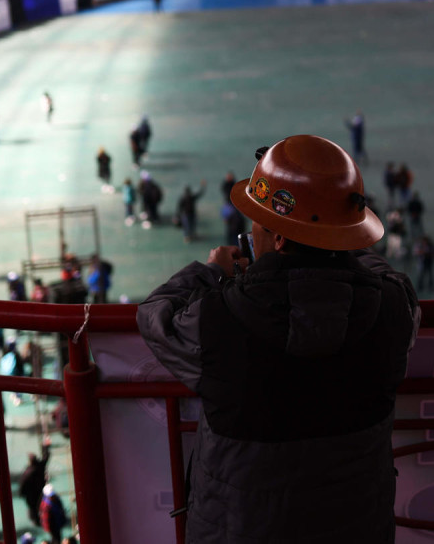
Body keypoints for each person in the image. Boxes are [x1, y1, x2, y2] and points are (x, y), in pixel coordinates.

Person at [137, 135, 419, 544]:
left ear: (281, 238)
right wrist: (335, 244)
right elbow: (393, 280)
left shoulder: (217, 319)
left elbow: (156, 315)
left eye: (258, 220)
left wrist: (214, 273)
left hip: (242, 530)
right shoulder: (393, 309)